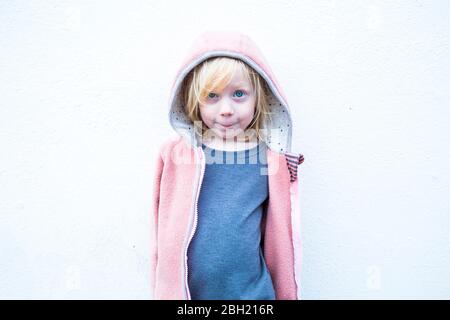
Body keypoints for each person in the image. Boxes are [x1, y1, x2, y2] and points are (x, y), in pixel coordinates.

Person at [150, 31, 305, 300]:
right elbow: (159, 230)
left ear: (260, 97)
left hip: (253, 295)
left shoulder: (270, 159)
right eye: (212, 95)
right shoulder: (176, 155)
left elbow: (280, 237)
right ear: (192, 98)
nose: (226, 109)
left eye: (239, 94)